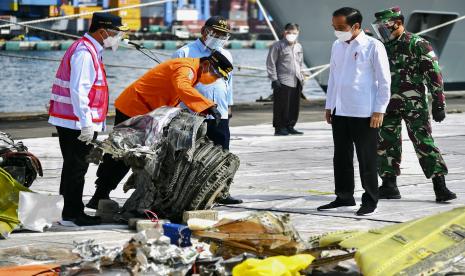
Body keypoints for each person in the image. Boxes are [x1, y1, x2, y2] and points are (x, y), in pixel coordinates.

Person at [85, 51, 231, 209]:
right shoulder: (186, 67)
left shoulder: (194, 71)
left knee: (139, 154)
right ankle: (100, 195)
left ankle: (104, 194)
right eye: (215, 75)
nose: (214, 79)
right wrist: (208, 106)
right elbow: (183, 87)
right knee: (123, 153)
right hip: (134, 106)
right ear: (207, 64)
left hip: (148, 112)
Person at [48, 13, 128, 226]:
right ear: (103, 31)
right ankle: (74, 215)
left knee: (72, 166)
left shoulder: (90, 49)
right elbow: (79, 90)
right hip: (76, 122)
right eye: (116, 32)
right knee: (78, 168)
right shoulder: (85, 52)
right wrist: (86, 123)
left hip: (72, 119)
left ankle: (67, 210)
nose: (118, 36)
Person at [372, 7, 456, 202]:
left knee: (423, 143)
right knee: (386, 144)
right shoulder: (382, 46)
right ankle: (389, 185)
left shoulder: (418, 44)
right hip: (387, 103)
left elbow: (434, 74)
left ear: (398, 24)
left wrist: (439, 103)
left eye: (385, 27)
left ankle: (440, 186)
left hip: (414, 104)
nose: (382, 32)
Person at [317, 7, 391, 216]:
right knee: (340, 156)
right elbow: (333, 77)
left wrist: (379, 110)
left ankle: (370, 199)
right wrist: (330, 105)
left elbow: (385, 82)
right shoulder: (337, 45)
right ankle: (344, 196)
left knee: (366, 158)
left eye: (341, 27)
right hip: (341, 110)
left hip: (364, 112)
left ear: (356, 26)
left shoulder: (373, 46)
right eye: (334, 27)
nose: (337, 31)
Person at [172, 16, 242, 205]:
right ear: (204, 31)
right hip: (193, 115)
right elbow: (178, 86)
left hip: (220, 113)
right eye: (216, 33)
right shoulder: (185, 52)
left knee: (222, 154)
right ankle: (191, 194)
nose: (219, 37)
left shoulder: (226, 55)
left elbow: (228, 83)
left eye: (224, 35)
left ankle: (222, 192)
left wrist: (229, 106)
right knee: (192, 157)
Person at [266, 23, 305, 136]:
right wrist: (274, 79)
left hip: (296, 80)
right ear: (284, 32)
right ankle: (279, 128)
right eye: (289, 32)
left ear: (298, 33)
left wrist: (303, 76)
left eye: (294, 33)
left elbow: (300, 63)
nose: (291, 34)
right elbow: (270, 63)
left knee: (294, 106)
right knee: (281, 106)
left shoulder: (299, 46)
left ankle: (290, 126)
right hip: (282, 80)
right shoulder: (277, 46)